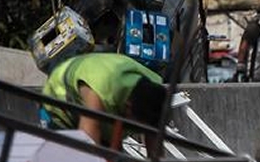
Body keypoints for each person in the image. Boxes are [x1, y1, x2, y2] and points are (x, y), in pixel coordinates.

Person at [40, 52, 168, 144]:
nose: (136, 131)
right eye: (136, 126)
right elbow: (88, 143)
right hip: (58, 104)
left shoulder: (154, 91)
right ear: (128, 106)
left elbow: (155, 150)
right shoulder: (99, 90)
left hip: (107, 103)